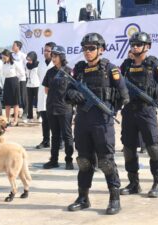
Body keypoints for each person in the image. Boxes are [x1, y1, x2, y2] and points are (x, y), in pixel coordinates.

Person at [66, 33, 129, 215]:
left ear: (101, 50)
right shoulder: (78, 70)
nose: (87, 52)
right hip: (83, 121)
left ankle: (114, 198)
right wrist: (72, 95)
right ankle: (83, 198)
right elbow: (66, 93)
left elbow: (124, 96)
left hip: (102, 121)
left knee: (106, 161)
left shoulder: (111, 69)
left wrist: (109, 110)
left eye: (92, 48)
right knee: (84, 161)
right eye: (85, 48)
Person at [119, 32, 158, 198]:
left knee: (153, 148)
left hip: (146, 111)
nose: (135, 47)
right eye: (133, 44)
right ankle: (134, 183)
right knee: (128, 148)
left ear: (147, 46)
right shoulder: (126, 65)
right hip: (128, 111)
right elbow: (118, 85)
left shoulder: (155, 65)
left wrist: (153, 99)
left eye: (138, 44)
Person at [41, 45, 74, 170]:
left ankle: (69, 160)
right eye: (52, 56)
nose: (53, 58)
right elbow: (46, 90)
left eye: (56, 56)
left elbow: (74, 90)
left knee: (67, 135)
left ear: (62, 57)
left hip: (65, 108)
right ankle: (53, 160)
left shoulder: (69, 71)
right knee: (54, 135)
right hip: (51, 108)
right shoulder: (50, 72)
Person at [35, 42, 55, 149]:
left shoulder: (56, 64)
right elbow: (39, 76)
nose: (45, 53)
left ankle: (58, 141)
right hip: (42, 93)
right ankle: (46, 140)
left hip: (53, 95)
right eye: (45, 50)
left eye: (48, 51)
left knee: (55, 120)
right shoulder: (41, 63)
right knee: (44, 120)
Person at [1, 49, 24, 126]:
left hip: (14, 82)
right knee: (7, 103)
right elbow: (3, 74)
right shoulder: (3, 64)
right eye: (3, 57)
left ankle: (15, 120)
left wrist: (17, 80)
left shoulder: (15, 63)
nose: (3, 59)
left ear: (8, 56)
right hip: (7, 82)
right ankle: (7, 119)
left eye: (5, 57)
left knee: (15, 102)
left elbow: (22, 73)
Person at [12, 41, 28, 122]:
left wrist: (26, 76)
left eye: (14, 45)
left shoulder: (23, 55)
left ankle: (25, 113)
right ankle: (16, 113)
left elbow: (27, 66)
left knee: (23, 96)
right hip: (14, 78)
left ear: (18, 47)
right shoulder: (12, 55)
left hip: (22, 78)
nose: (12, 46)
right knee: (15, 96)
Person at [26, 51, 40, 123]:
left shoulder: (38, 64)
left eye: (30, 59)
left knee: (38, 101)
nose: (29, 61)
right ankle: (30, 117)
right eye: (28, 60)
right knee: (29, 102)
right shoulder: (27, 65)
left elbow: (40, 75)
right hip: (29, 85)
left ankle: (39, 115)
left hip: (37, 85)